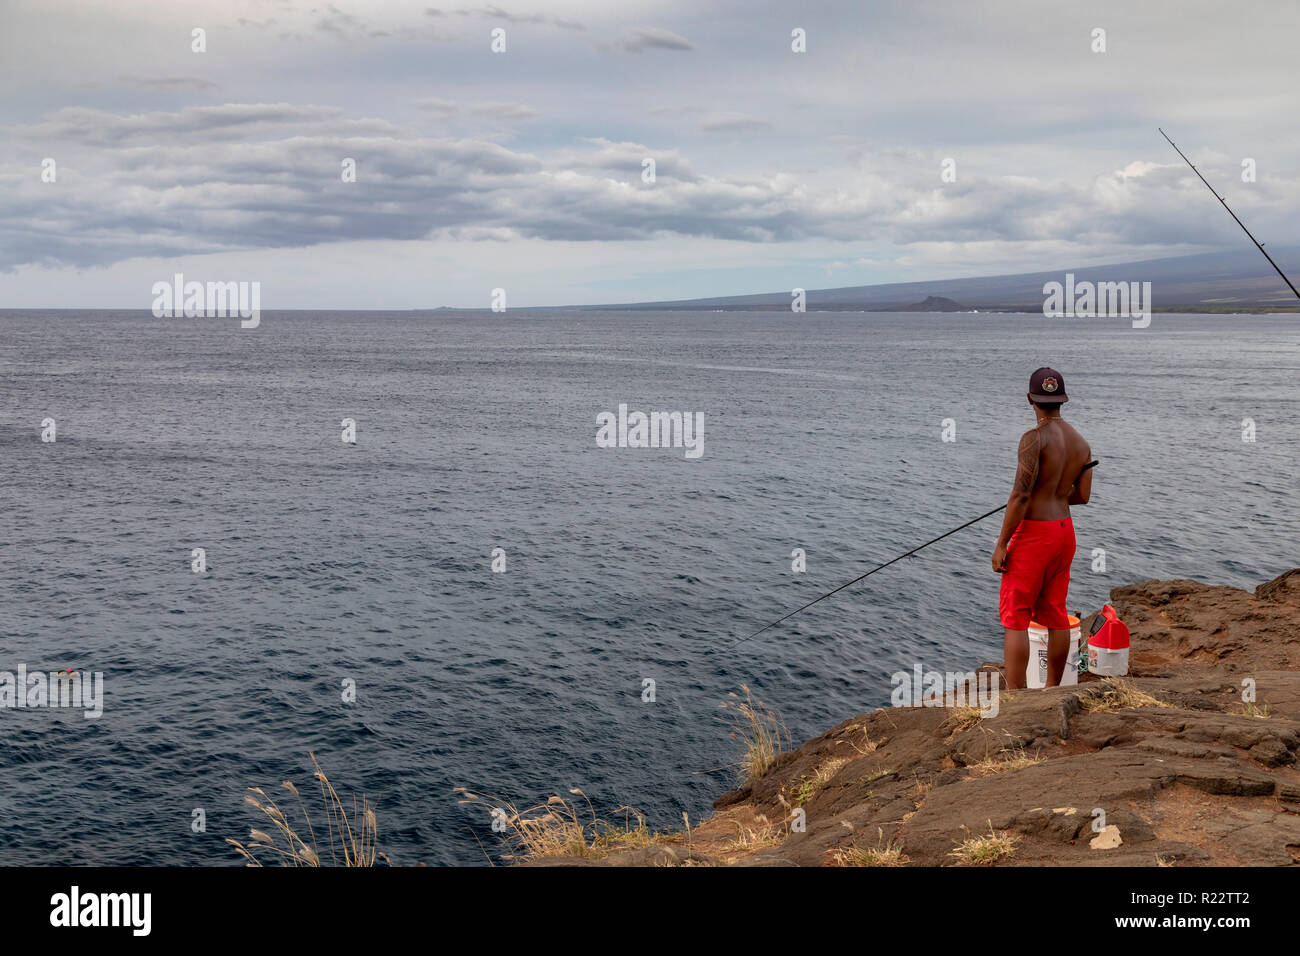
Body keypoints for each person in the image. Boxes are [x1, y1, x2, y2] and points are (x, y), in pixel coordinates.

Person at [992, 367, 1093, 688]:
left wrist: (1001, 543)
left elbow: (1020, 495)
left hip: (1035, 535)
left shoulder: (1033, 439)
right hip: (1064, 532)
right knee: (1055, 614)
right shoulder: (1081, 443)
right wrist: (1053, 493)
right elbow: (1083, 496)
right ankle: (1053, 689)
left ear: (1029, 399)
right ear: (1062, 399)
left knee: (1016, 617)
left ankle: (1015, 697)